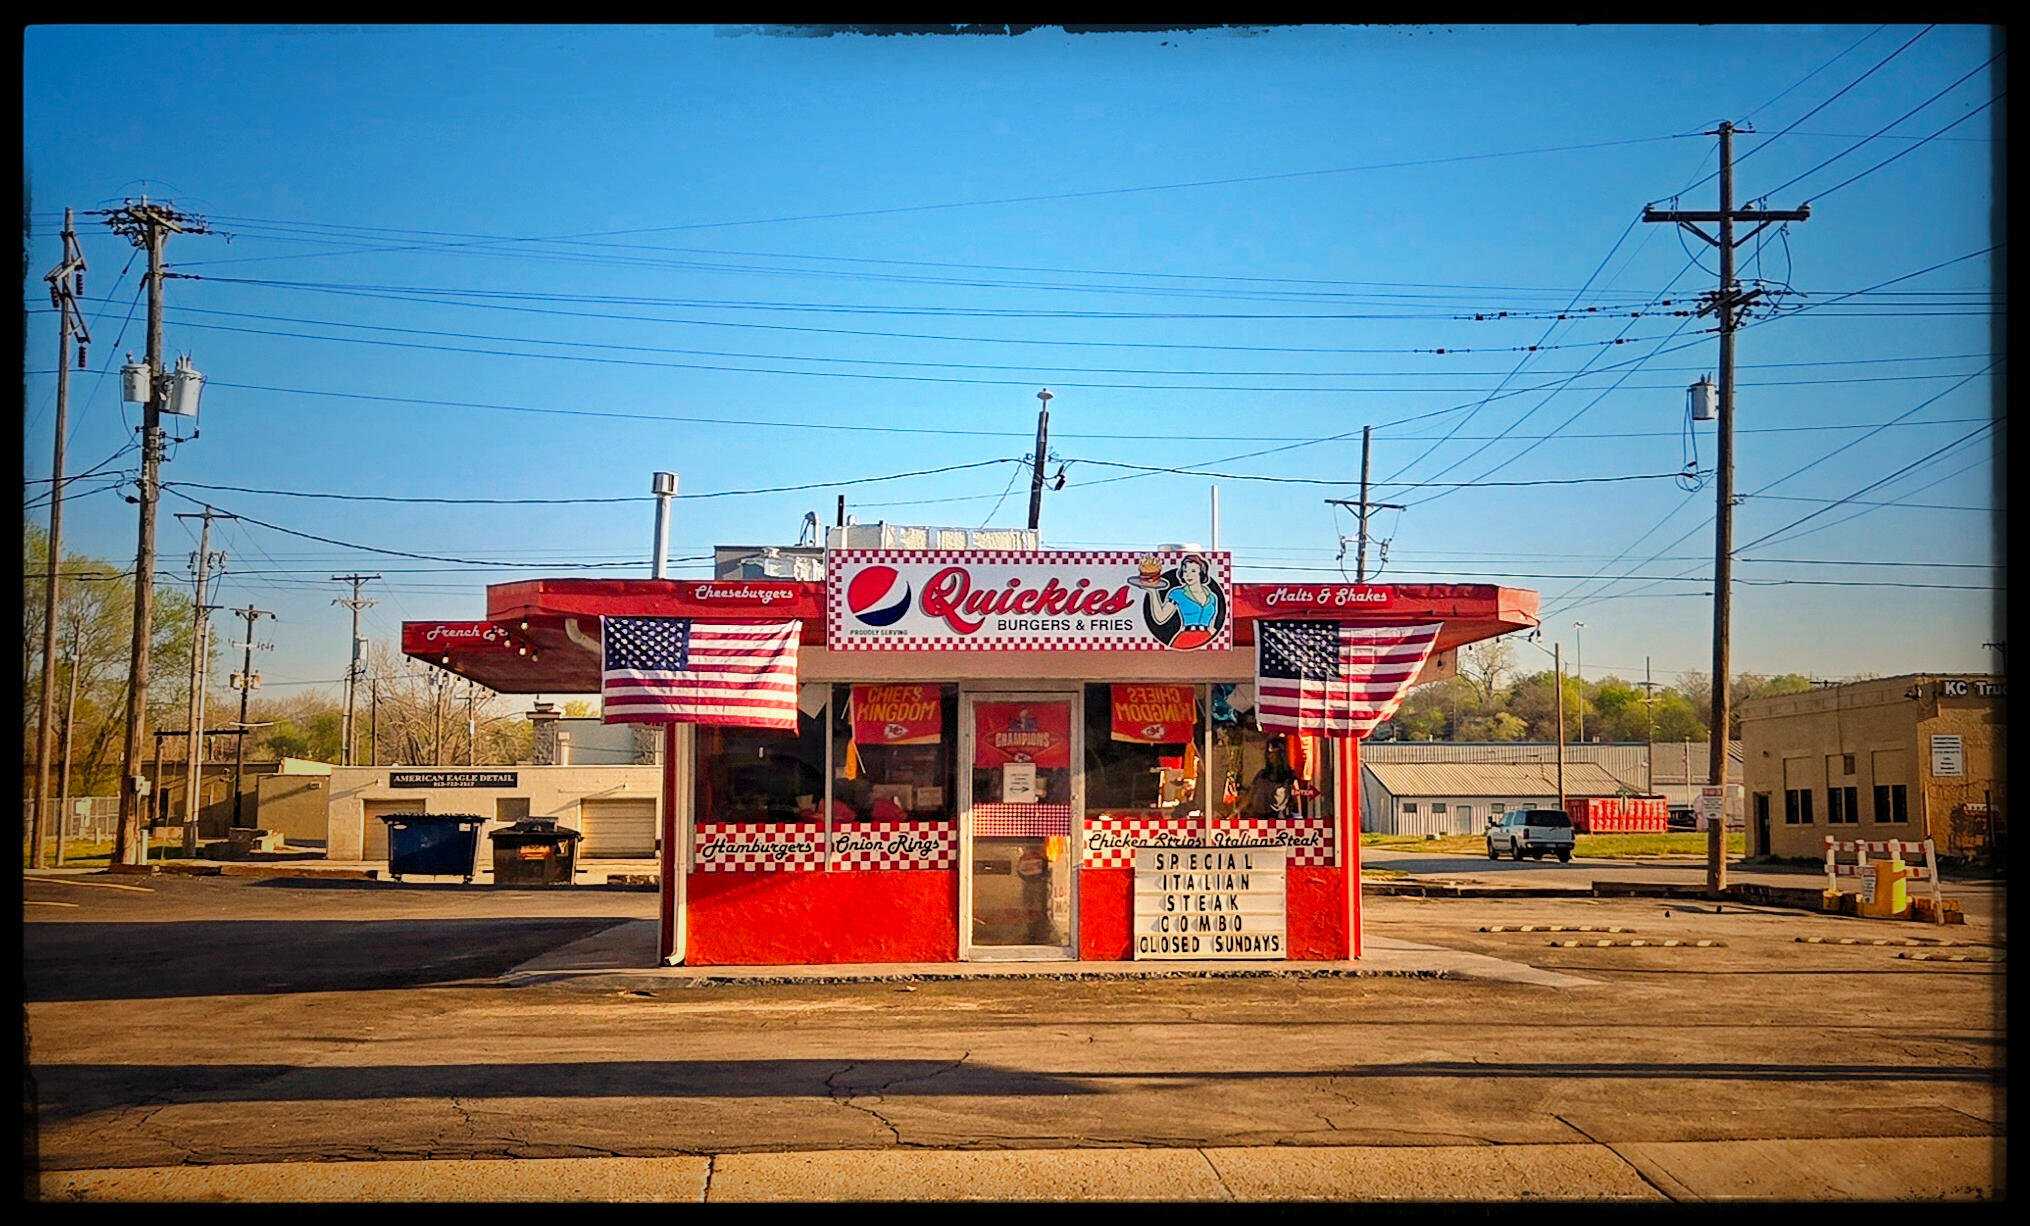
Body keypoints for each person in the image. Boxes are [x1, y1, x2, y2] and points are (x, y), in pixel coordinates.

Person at [1145, 554, 1222, 649]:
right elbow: (1160, 617)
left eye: (1193, 571)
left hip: (1208, 640)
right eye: (1185, 571)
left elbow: (1212, 624)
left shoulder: (1213, 597)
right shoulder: (1177, 593)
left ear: (1201, 573)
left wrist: (1215, 634)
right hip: (1185, 638)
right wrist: (1153, 592)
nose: (1188, 575)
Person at [1240, 735, 1299, 817]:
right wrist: (1235, 812)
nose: (1270, 756)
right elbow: (1250, 796)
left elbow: (1296, 798)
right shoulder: (1262, 775)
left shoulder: (1289, 776)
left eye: (1274, 753)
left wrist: (1298, 817)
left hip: (1278, 821)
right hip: (1259, 818)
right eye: (1269, 753)